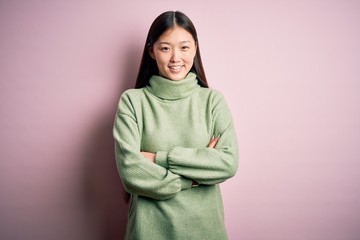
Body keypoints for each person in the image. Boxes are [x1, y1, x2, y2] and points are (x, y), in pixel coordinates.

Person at [113, 10, 238, 240]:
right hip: (149, 232)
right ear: (151, 50)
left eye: (184, 47)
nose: (175, 58)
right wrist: (195, 176)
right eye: (165, 48)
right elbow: (130, 171)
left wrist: (157, 159)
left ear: (195, 48)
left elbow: (228, 163)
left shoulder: (212, 101)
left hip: (205, 230)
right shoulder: (132, 101)